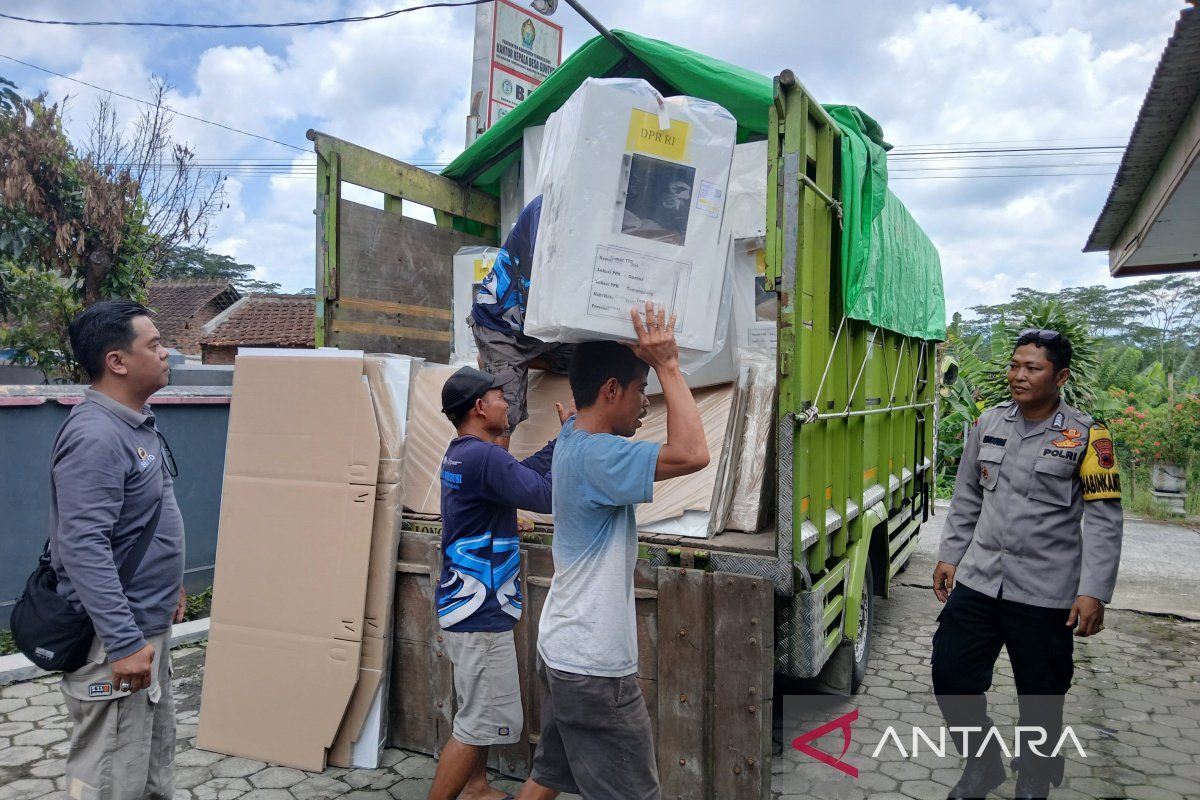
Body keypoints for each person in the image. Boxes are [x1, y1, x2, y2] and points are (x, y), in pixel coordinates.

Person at [520, 302, 710, 800]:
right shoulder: (596, 453)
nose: (645, 404)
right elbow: (693, 453)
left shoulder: (571, 439)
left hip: (561, 653)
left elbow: (586, 429)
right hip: (594, 670)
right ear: (610, 390)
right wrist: (668, 363)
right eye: (640, 390)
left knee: (547, 778)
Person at [931, 329, 1123, 800]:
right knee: (950, 672)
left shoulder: (1088, 436)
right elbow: (967, 495)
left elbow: (1103, 519)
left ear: (1060, 376)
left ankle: (1035, 776)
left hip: (1045, 591)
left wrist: (1093, 591)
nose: (1019, 375)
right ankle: (984, 764)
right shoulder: (988, 423)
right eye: (1015, 365)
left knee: (1041, 694)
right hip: (980, 580)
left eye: (1032, 368)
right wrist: (950, 555)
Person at [51, 300, 187, 800]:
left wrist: (169, 584)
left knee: (148, 767)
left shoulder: (133, 422)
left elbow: (138, 522)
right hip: (116, 639)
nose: (166, 351)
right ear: (118, 362)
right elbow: (83, 546)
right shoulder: (95, 435)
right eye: (153, 344)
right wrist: (125, 642)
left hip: (141, 626)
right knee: (111, 774)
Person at [428, 366, 569, 800]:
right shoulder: (485, 457)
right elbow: (542, 494)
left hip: (464, 602)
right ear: (479, 407)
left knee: (479, 710)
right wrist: (577, 442)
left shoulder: (462, 453)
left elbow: (514, 478)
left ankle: (476, 787)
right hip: (481, 610)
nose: (507, 404)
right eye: (499, 397)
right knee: (476, 724)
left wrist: (559, 442)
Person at [470, 194, 576, 446]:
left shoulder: (595, 213)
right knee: (504, 412)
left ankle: (503, 362)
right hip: (500, 326)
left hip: (539, 330)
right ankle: (502, 361)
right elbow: (550, 267)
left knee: (590, 360)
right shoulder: (547, 210)